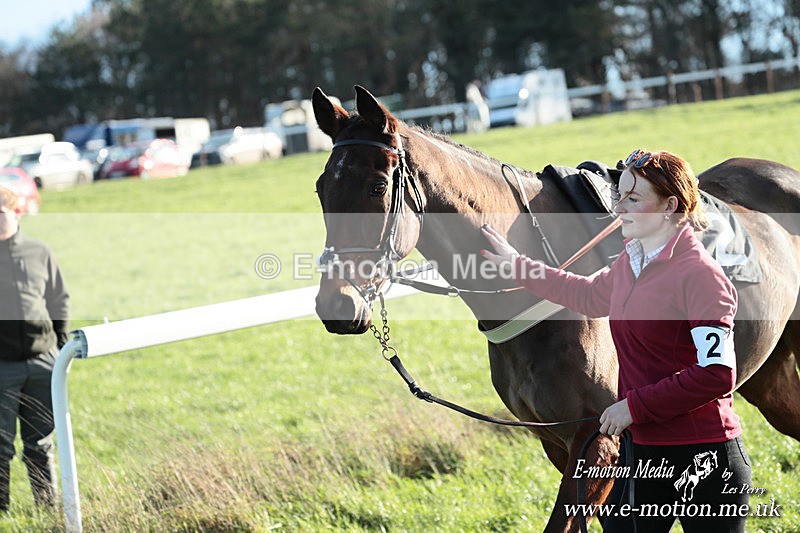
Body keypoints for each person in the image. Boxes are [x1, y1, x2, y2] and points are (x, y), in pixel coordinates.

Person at [481, 149, 751, 532]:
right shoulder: (632, 261)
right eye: (618, 196)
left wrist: (632, 408)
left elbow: (716, 374)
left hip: (705, 459)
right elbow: (587, 295)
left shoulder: (700, 276)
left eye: (633, 199)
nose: (619, 208)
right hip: (645, 455)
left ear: (669, 205)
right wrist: (516, 265)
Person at [0, 187, 70, 512]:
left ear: (16, 213)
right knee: (0, 446)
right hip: (3, 367)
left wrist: (62, 345)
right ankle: (2, 511)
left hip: (43, 363)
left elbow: (58, 300)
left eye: (1, 213)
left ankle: (48, 508)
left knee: (40, 443)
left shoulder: (40, 252)